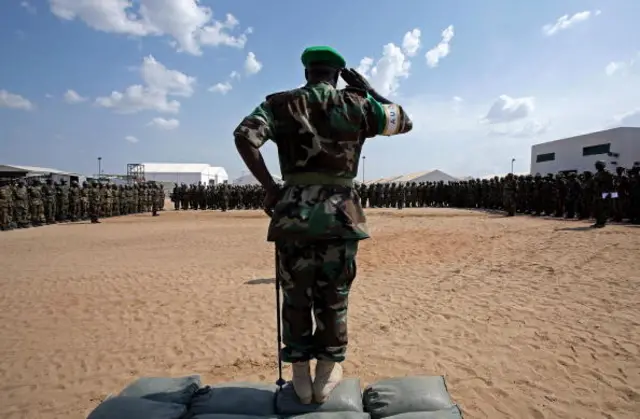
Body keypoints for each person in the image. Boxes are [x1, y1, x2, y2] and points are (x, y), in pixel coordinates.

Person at [233, 46, 413, 404]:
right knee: (334, 295)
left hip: (294, 213)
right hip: (340, 214)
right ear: (337, 74)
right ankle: (327, 371)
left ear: (307, 73)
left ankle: (299, 372)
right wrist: (369, 89)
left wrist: (270, 188)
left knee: (296, 293)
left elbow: (244, 136)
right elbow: (403, 121)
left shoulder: (280, 104)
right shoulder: (357, 104)